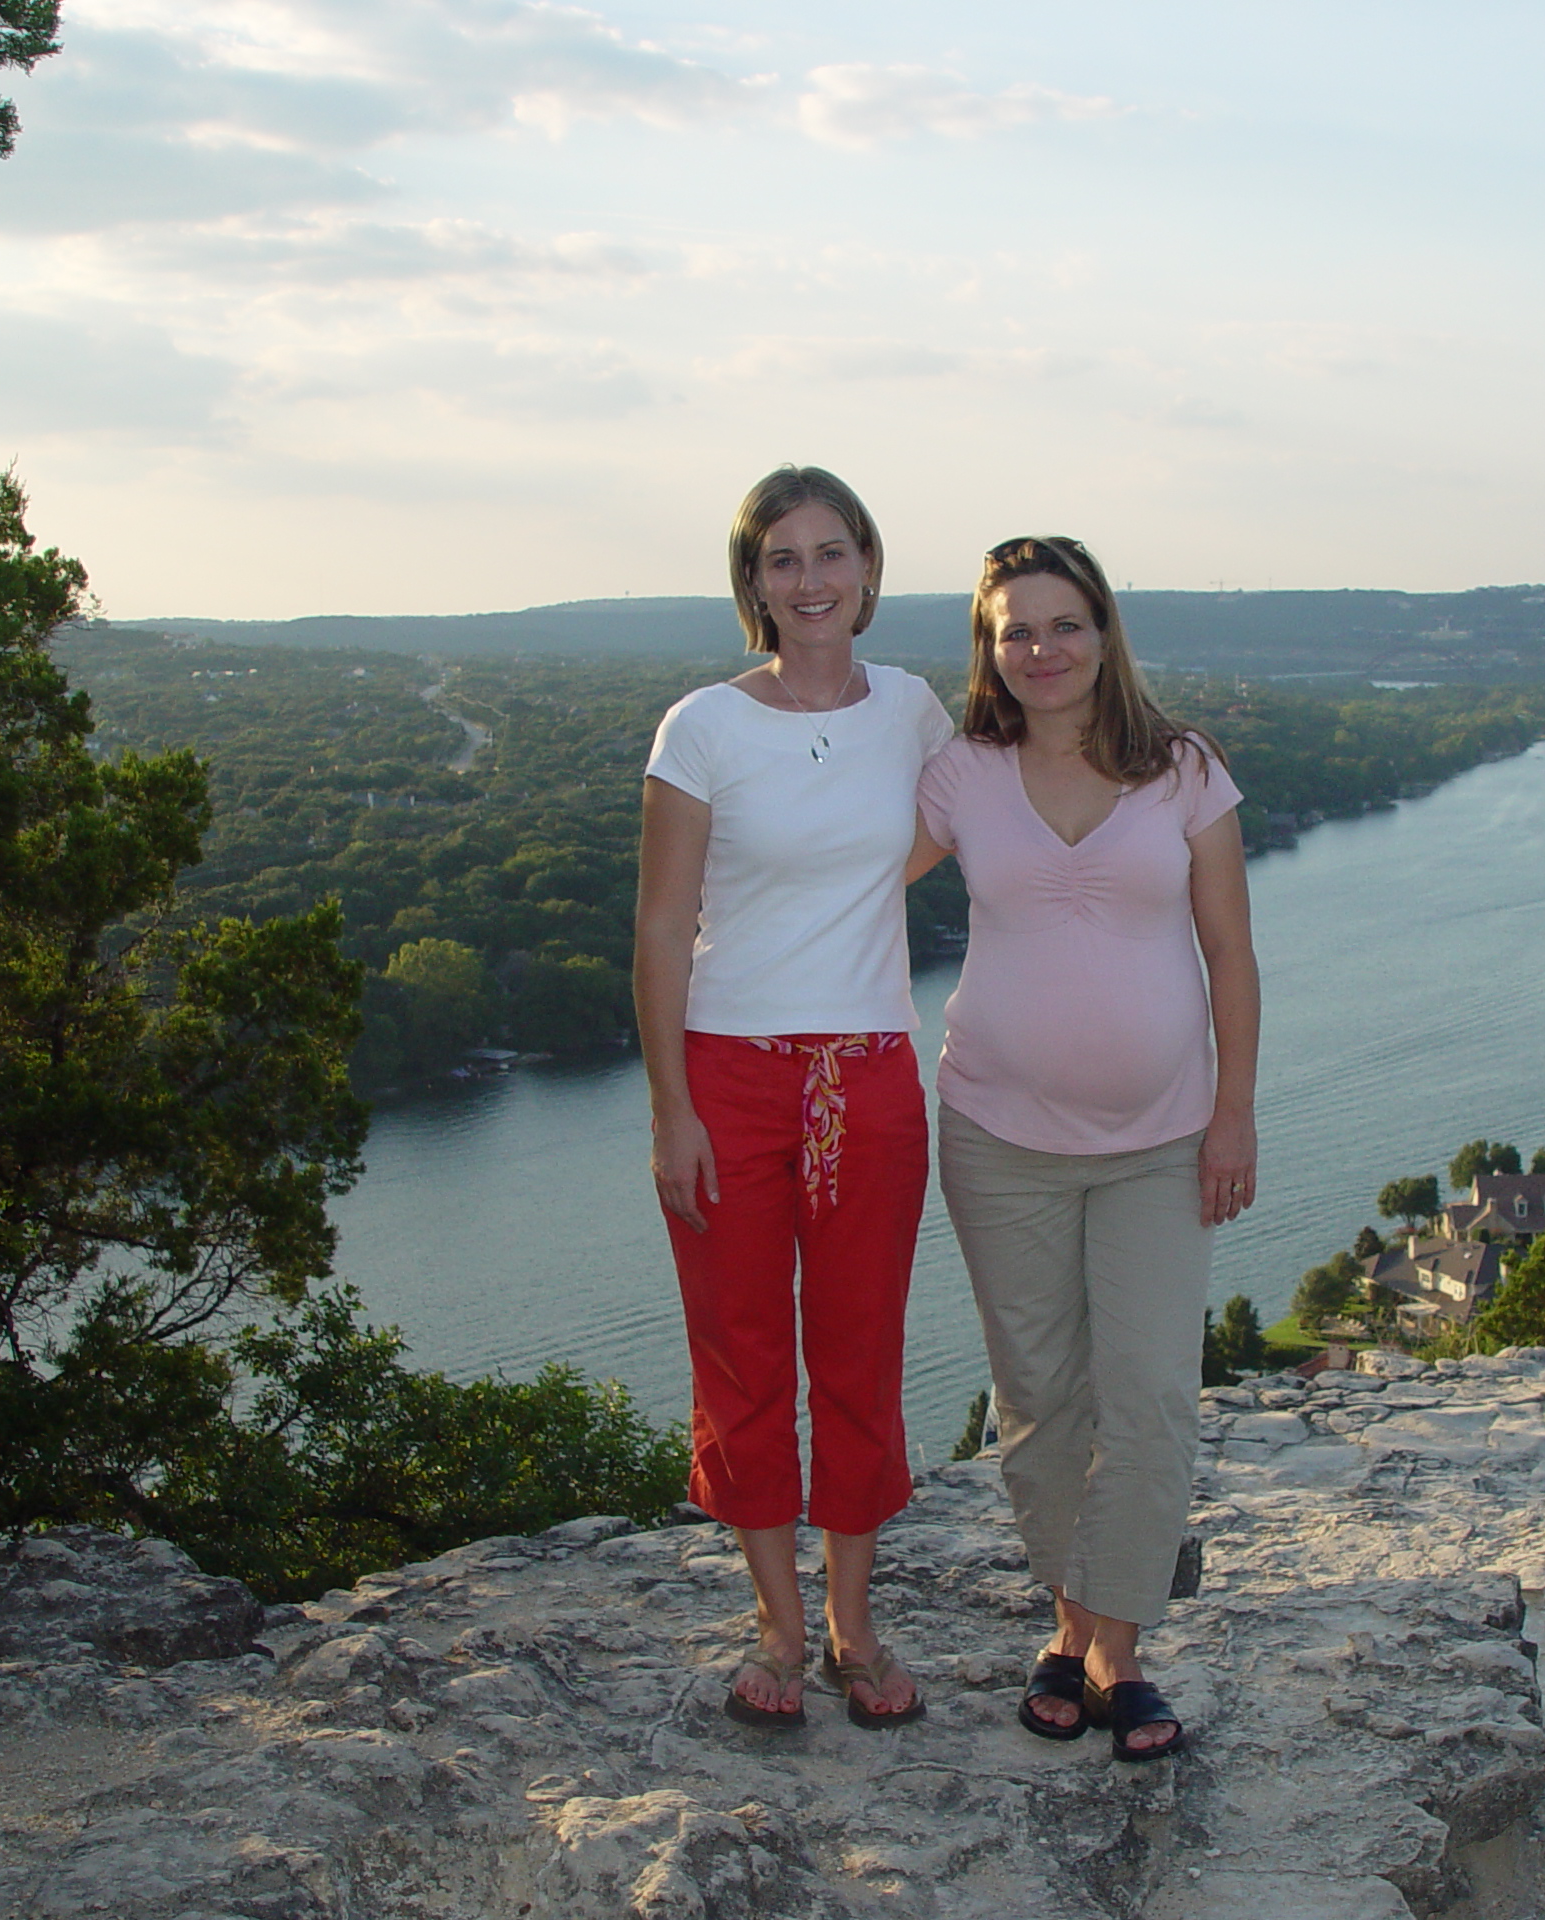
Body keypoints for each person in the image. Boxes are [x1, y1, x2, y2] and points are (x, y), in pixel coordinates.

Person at [910, 535, 1260, 1762]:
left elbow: (1231, 954)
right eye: (1016, 630)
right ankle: (1076, 1635)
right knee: (1041, 1399)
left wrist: (1235, 1113)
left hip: (1163, 1139)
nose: (1042, 650)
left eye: (1064, 625)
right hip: (995, 1133)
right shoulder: (959, 775)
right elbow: (838, 890)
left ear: (1104, 634)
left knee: (1154, 1397)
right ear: (988, 650)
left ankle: (1116, 1653)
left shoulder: (1182, 773)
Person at [633, 465, 953, 1731]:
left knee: (862, 1354)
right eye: (782, 558)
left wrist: (868, 886)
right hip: (729, 1075)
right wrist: (671, 1110)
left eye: (832, 553)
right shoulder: (702, 725)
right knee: (745, 1354)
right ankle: (775, 1620)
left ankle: (851, 1623)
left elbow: (972, 815)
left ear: (869, 571)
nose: (809, 579)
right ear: (751, 582)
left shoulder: (917, 710)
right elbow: (661, 931)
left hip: (869, 1076)